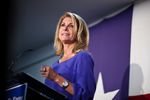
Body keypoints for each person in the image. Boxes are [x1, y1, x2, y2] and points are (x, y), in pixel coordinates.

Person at [40, 12, 96, 100]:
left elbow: (86, 96)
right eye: (62, 25)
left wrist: (56, 78)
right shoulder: (54, 66)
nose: (65, 28)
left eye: (71, 26)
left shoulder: (83, 57)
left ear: (79, 32)